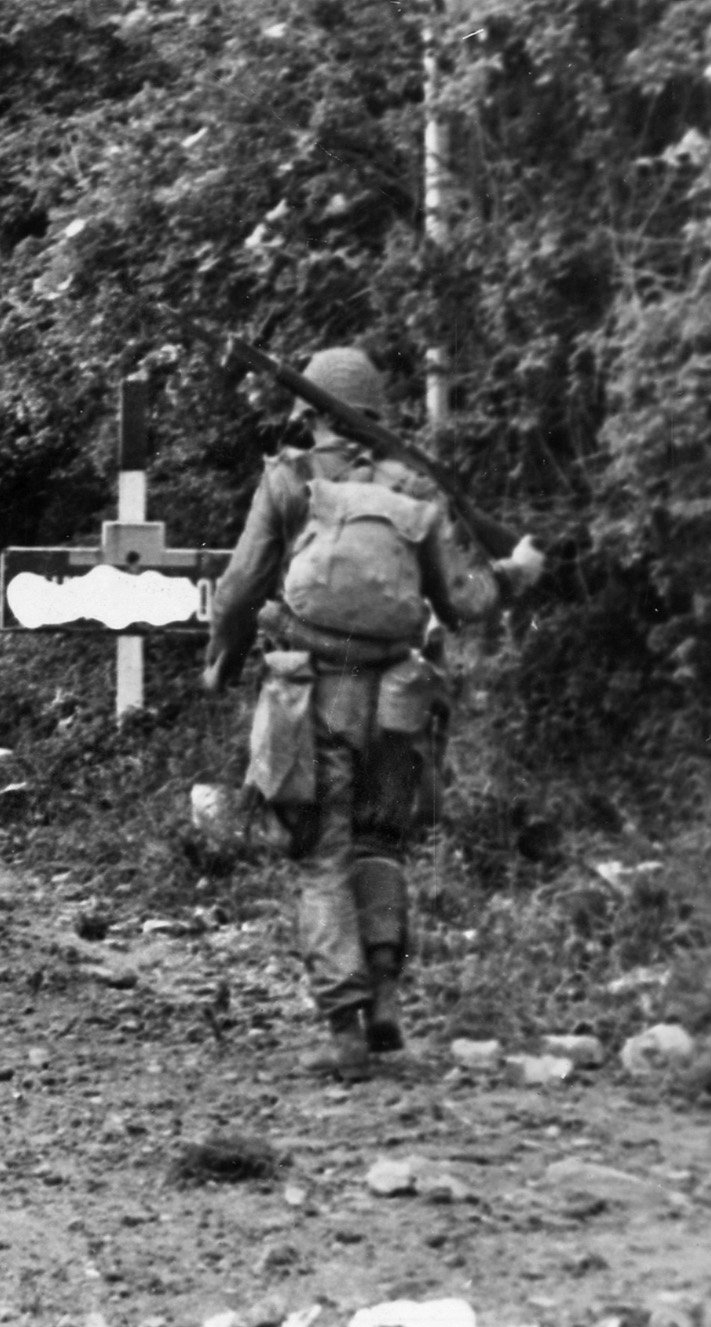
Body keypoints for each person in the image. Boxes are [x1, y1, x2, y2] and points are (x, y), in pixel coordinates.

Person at [204, 348, 544, 1081]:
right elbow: (467, 601)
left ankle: (343, 1029)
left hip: (311, 696)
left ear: (307, 414)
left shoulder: (289, 482)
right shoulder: (414, 488)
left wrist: (221, 658)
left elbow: (237, 591)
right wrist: (518, 570)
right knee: (379, 841)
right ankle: (385, 996)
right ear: (376, 414)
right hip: (399, 698)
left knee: (319, 854)